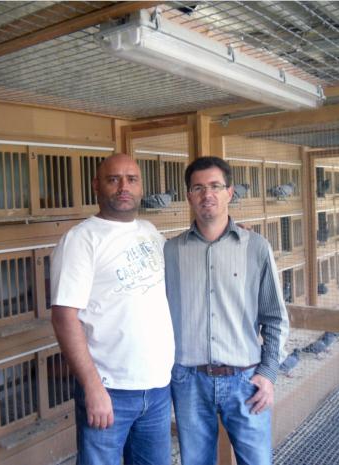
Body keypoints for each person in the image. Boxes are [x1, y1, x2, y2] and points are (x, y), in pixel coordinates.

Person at [50, 153, 175, 465]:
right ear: (96, 185)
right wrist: (92, 387)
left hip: (157, 388)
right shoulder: (81, 239)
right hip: (109, 389)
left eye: (131, 179)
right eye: (113, 179)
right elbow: (64, 317)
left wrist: (228, 233)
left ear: (141, 187)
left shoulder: (149, 231)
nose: (124, 187)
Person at [164, 156, 289, 465]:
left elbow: (274, 317)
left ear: (230, 192)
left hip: (245, 380)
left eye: (216, 186)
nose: (207, 194)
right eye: (198, 187)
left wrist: (268, 374)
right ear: (189, 196)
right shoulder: (170, 251)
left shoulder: (256, 247)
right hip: (189, 380)